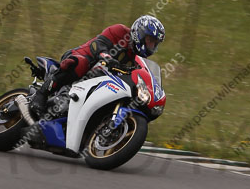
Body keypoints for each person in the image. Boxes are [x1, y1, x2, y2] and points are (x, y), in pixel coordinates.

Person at [30, 15, 165, 117]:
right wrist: (106, 56)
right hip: (81, 57)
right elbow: (98, 44)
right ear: (139, 33)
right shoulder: (120, 32)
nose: (151, 46)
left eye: (154, 43)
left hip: (100, 78)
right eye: (150, 40)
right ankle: (41, 94)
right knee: (81, 63)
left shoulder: (136, 60)